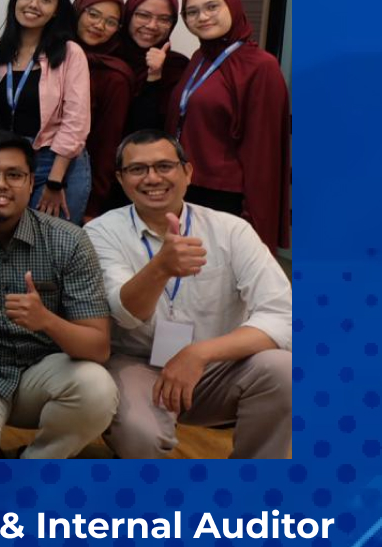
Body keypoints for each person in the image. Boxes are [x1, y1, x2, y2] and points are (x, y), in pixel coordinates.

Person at [85, 130, 292, 458]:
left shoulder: (231, 230)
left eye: (164, 166)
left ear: (188, 172)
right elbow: (122, 313)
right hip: (136, 364)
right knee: (141, 435)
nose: (152, 178)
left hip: (215, 367)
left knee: (284, 369)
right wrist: (161, 268)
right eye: (137, 169)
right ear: (121, 179)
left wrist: (200, 354)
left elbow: (283, 315)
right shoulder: (100, 232)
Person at [0, 131, 116, 459]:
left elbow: (98, 347)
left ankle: (34, 468)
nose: (1, 184)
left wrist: (47, 321)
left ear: (31, 181)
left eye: (14, 175)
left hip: (43, 371)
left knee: (97, 388)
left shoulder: (69, 241)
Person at [169, 0, 292, 252]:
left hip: (225, 195)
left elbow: (263, 149)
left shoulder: (261, 66)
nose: (202, 16)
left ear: (233, 8)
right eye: (192, 12)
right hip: (187, 183)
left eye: (212, 7)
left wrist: (255, 214)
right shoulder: (200, 58)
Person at [0, 0, 92, 221]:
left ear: (57, 9)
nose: (33, 4)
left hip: (57, 163)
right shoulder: (0, 53)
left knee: (49, 240)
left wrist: (55, 180)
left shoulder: (69, 53)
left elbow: (76, 121)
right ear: (16, 0)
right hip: (11, 162)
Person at [72, 0, 135, 219]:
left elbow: (107, 144)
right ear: (77, 12)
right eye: (93, 14)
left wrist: (93, 205)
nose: (99, 25)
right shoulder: (52, 56)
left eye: (111, 22)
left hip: (77, 182)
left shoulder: (114, 76)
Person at [118, 0, 191, 137]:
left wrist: (154, 76)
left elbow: (151, 131)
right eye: (143, 15)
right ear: (128, 16)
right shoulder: (108, 56)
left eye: (164, 19)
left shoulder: (177, 66)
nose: (152, 26)